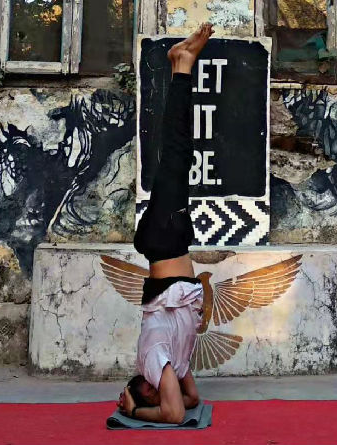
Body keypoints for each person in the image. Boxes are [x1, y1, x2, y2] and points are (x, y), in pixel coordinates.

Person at [116, 23, 215, 424]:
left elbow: (173, 413)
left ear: (148, 385)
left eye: (154, 394)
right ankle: (180, 62)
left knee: (177, 152)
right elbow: (190, 400)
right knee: (178, 155)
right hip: (170, 247)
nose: (166, 392)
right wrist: (151, 402)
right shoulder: (174, 361)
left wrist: (136, 410)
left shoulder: (155, 356)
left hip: (164, 242)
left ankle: (183, 65)